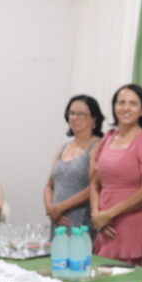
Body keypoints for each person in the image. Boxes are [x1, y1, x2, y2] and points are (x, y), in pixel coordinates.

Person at [89, 84, 142, 267]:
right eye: (121, 102)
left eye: (133, 104)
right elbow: (95, 183)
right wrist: (97, 215)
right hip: (103, 225)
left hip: (132, 223)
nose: (126, 108)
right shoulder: (108, 137)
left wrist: (109, 214)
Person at [43, 95, 103, 235]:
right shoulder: (64, 147)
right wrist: (50, 208)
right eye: (72, 113)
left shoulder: (97, 145)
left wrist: (60, 207)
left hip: (81, 222)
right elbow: (49, 186)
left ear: (94, 119)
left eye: (81, 114)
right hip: (57, 221)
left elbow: (94, 186)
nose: (75, 118)